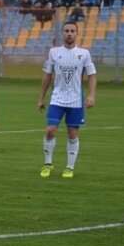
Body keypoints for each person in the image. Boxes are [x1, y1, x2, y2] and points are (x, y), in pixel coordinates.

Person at [37, 20, 97, 179]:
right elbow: (47, 76)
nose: (69, 33)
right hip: (57, 98)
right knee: (50, 130)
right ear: (62, 33)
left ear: (77, 34)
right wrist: (41, 98)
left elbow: (92, 76)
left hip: (76, 100)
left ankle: (69, 167)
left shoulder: (84, 54)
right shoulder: (54, 52)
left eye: (72, 31)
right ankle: (48, 164)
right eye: (66, 31)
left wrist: (91, 95)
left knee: (72, 133)